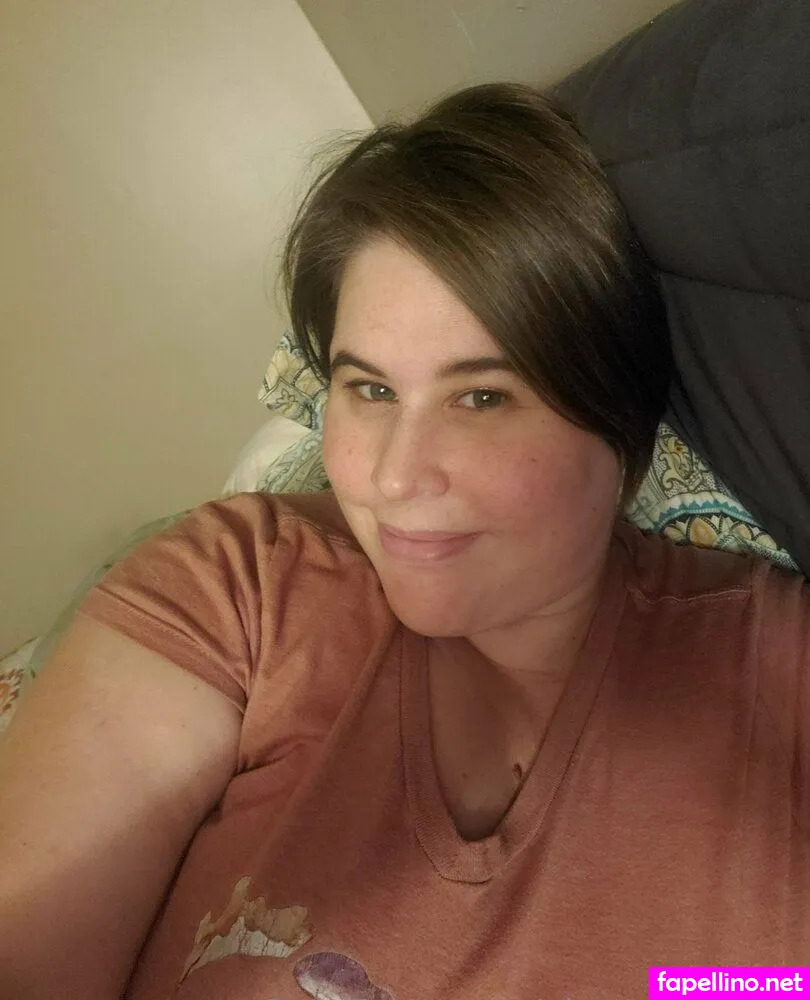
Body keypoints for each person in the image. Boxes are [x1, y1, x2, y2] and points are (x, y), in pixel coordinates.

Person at [0, 83, 808, 1000]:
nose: (392, 477)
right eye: (372, 390)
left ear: (618, 416)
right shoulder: (239, 586)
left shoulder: (773, 671)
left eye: (482, 396)